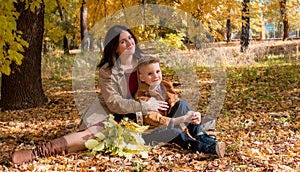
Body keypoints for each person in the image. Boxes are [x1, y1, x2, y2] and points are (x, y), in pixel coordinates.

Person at [12, 25, 224, 164]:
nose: (130, 42)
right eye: (123, 41)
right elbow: (114, 104)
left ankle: (203, 138)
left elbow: (159, 87)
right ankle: (38, 152)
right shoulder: (107, 71)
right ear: (114, 47)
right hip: (116, 116)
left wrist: (163, 103)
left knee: (184, 104)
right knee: (89, 137)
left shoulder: (144, 63)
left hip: (147, 116)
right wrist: (145, 106)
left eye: (130, 38)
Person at [135, 55, 226, 157]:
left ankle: (201, 135)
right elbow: (156, 120)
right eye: (150, 74)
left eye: (158, 71)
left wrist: (193, 115)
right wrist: (182, 118)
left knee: (182, 103)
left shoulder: (165, 86)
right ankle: (209, 148)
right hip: (152, 132)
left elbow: (177, 104)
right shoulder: (142, 97)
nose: (156, 76)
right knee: (175, 132)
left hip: (169, 122)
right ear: (142, 78)